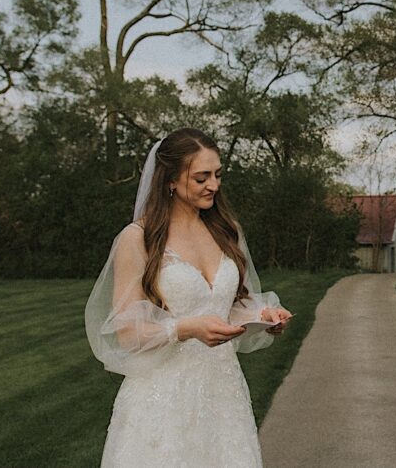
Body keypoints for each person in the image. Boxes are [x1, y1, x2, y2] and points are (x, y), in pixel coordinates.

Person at [85, 128, 292, 467]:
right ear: (170, 179)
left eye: (218, 174)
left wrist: (264, 316)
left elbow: (228, 307)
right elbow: (126, 332)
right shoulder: (138, 240)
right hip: (161, 399)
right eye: (201, 177)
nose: (214, 185)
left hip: (224, 396)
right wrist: (184, 329)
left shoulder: (227, 231)